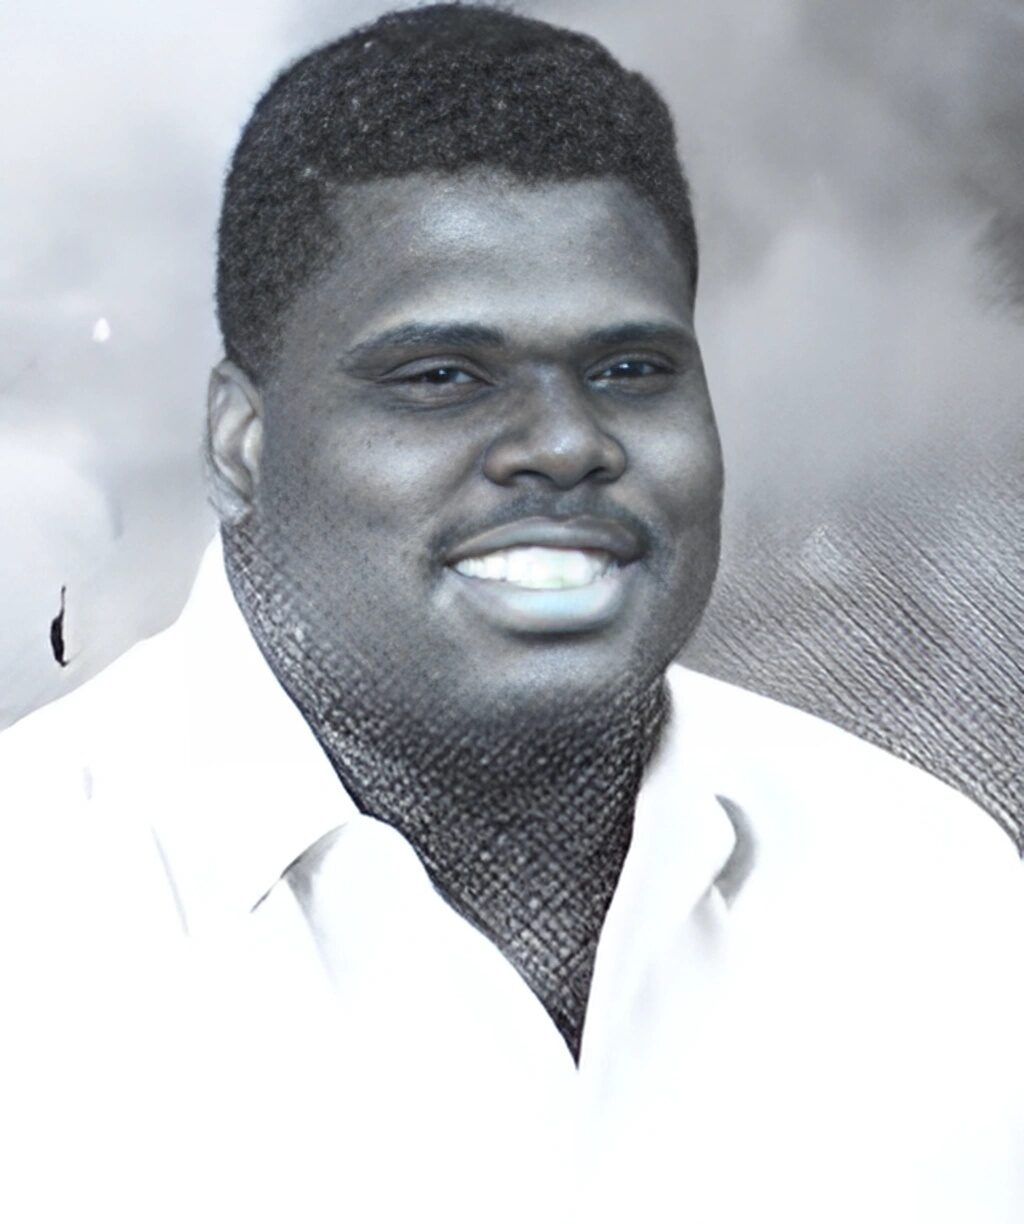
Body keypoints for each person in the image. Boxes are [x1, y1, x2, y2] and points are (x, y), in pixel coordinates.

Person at [1, 5, 1021, 1221]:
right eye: (442, 375)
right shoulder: (33, 914)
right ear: (241, 442)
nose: (565, 442)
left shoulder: (932, 888)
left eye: (630, 369)